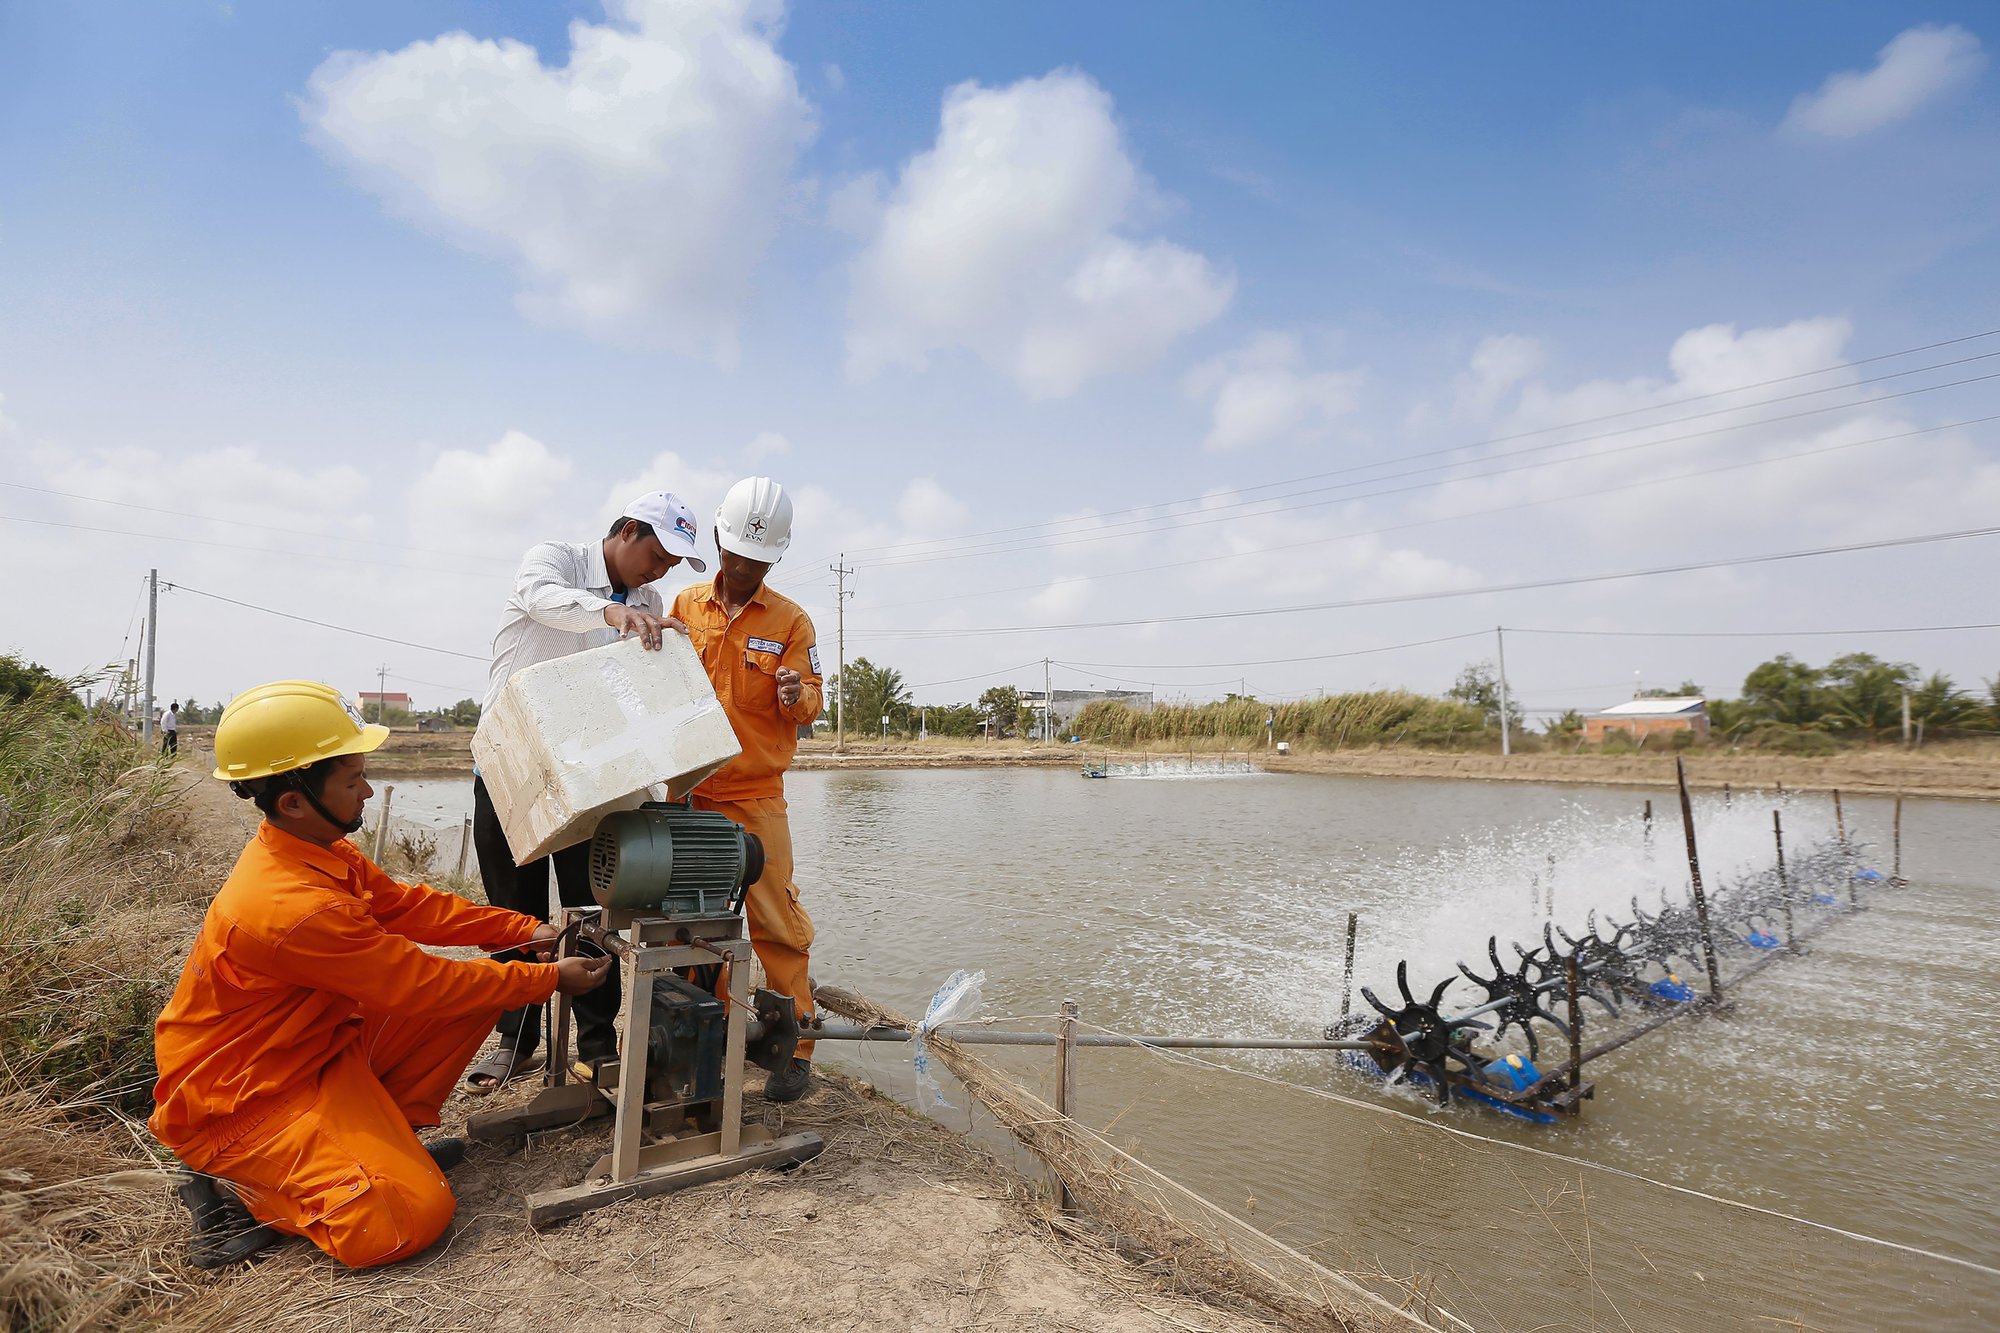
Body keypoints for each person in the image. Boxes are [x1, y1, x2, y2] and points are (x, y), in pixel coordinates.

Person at [149, 681, 611, 1269]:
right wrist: (549, 980)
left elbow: (409, 907)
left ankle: (381, 1139)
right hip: (245, 1101)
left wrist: (521, 930)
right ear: (293, 800)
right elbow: (422, 983)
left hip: (309, 1052)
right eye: (352, 780)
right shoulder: (291, 906)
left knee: (475, 990)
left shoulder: (317, 849)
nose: (367, 789)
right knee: (405, 1217)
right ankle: (230, 1185)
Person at [464, 491, 705, 1093]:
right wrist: (612, 615)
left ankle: (597, 1046)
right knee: (513, 913)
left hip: (591, 773)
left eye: (674, 564)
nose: (661, 572)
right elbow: (546, 602)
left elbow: (638, 693)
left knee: (594, 908)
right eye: (657, 554)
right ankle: (515, 1041)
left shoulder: (648, 602)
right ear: (627, 531)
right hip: (512, 762)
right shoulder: (557, 562)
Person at [671, 476, 823, 1102]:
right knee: (688, 927)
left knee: (776, 924)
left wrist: (795, 698)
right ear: (716, 543)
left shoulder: (792, 621)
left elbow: (812, 703)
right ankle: (702, 1037)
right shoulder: (682, 607)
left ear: (773, 558)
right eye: (732, 555)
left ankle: (796, 1050)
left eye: (755, 560)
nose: (740, 569)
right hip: (689, 796)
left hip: (757, 796)